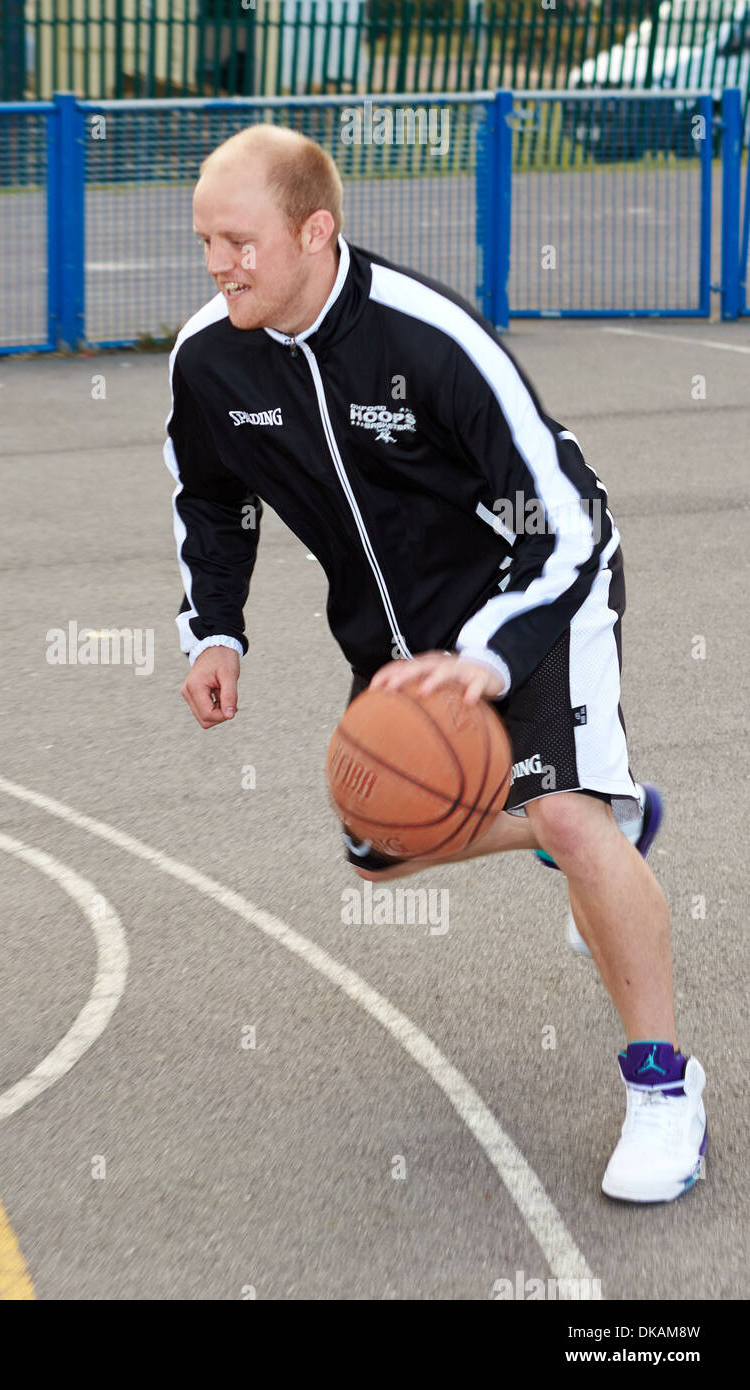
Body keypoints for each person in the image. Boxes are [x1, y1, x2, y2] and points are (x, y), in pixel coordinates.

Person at [165, 124, 706, 1203]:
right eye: (206, 241)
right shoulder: (212, 357)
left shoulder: (428, 337)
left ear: (313, 232)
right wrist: (213, 629)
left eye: (239, 240)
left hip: (535, 590)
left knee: (560, 810)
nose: (219, 263)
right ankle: (612, 813)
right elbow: (211, 499)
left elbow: (567, 522)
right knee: (381, 847)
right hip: (394, 636)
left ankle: (663, 1088)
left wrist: (494, 657)